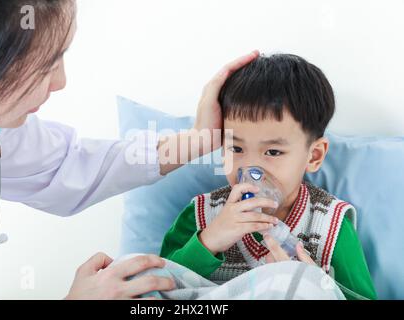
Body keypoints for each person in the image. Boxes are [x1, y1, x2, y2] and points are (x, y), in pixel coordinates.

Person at [0, 0, 258, 299]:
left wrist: (198, 140)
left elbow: (66, 166)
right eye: (44, 69)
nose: (61, 82)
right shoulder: (203, 214)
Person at [160, 54, 377, 300]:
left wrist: (317, 283)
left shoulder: (330, 227)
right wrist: (208, 242)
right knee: (129, 265)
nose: (251, 170)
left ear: (314, 156)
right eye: (236, 149)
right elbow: (158, 285)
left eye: (273, 152)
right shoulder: (202, 216)